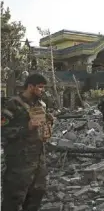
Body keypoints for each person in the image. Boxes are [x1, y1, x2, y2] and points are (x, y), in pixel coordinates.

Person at [1, 73, 55, 211]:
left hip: (38, 159)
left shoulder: (41, 104)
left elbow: (42, 130)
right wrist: (26, 128)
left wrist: (48, 123)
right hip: (19, 162)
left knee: (36, 195)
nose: (43, 90)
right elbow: (3, 130)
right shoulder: (13, 104)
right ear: (30, 86)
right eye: (40, 87)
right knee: (14, 198)